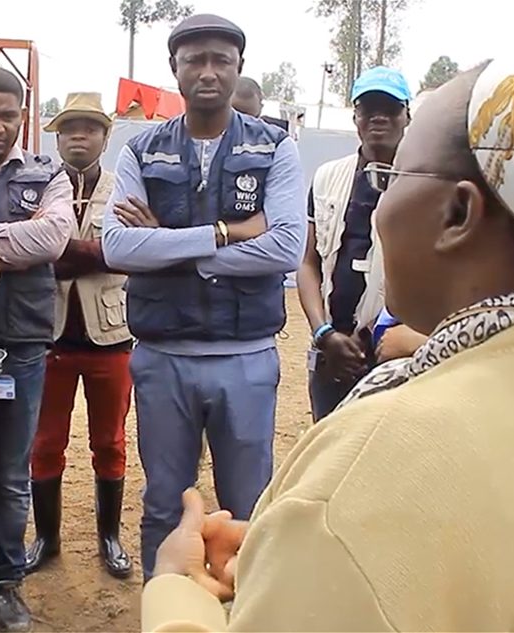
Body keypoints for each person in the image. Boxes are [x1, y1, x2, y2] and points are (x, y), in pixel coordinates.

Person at [144, 32, 514, 631]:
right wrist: (301, 561)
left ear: (457, 214)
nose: (377, 200)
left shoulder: (378, 461)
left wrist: (174, 592)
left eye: (394, 176)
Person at [101, 14, 306, 582]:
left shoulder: (274, 147)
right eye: (195, 60)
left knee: (247, 508)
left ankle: (245, 614)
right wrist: (226, 232)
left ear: (239, 66)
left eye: (221, 59)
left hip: (245, 358)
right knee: (165, 503)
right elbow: (118, 246)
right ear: (175, 70)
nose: (208, 71)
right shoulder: (141, 150)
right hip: (164, 359)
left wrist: (164, 242)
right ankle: (163, 606)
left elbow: (286, 247)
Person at [0, 66, 73, 632]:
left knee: (8, 473)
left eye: (6, 115)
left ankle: (5, 581)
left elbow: (52, 239)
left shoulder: (48, 173)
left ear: (22, 116)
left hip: (21, 346)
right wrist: (12, 237)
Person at [26, 92, 133, 579]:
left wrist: (61, 249)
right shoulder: (36, 189)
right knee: (45, 442)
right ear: (56, 136)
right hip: (47, 335)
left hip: (110, 333)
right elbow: (32, 249)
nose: (78, 137)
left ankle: (108, 537)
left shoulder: (126, 188)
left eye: (89, 128)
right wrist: (97, 249)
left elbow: (131, 251)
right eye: (70, 128)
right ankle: (46, 539)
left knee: (109, 441)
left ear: (105, 137)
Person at [296, 65, 411, 421]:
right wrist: (323, 333)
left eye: (389, 107)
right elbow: (308, 263)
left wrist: (383, 334)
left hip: (395, 356)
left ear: (408, 115)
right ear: (355, 116)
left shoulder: (425, 182)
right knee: (329, 453)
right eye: (368, 107)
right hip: (331, 354)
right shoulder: (328, 177)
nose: (378, 117)